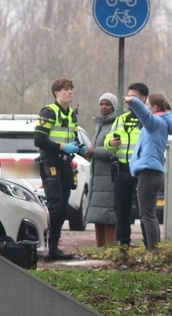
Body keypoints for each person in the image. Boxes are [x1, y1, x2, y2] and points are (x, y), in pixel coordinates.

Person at [34, 77, 86, 261]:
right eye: (66, 89)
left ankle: (54, 247)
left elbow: (72, 138)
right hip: (51, 163)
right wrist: (63, 148)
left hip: (65, 165)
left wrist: (81, 148)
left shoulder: (71, 114)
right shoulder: (49, 112)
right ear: (57, 93)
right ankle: (48, 246)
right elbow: (39, 140)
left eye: (71, 89)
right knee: (55, 206)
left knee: (63, 208)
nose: (70, 92)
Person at [124, 91, 172, 251]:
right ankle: (153, 250)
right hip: (150, 172)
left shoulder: (156, 123)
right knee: (148, 214)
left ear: (154, 108)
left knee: (147, 215)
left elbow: (145, 115)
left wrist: (133, 101)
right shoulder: (159, 123)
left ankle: (153, 251)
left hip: (149, 172)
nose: (146, 108)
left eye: (147, 104)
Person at [105, 82, 146, 248]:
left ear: (143, 99)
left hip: (141, 172)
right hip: (121, 170)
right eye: (128, 97)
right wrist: (111, 143)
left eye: (134, 97)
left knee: (145, 212)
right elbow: (107, 141)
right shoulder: (121, 119)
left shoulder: (147, 119)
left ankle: (149, 245)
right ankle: (123, 245)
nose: (129, 100)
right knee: (121, 211)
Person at [84, 92, 119, 247]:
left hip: (109, 177)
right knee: (98, 215)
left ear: (114, 107)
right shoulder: (99, 125)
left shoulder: (116, 125)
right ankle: (100, 247)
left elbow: (114, 149)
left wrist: (94, 151)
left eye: (107, 104)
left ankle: (110, 247)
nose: (104, 107)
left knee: (108, 215)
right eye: (101, 104)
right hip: (97, 177)